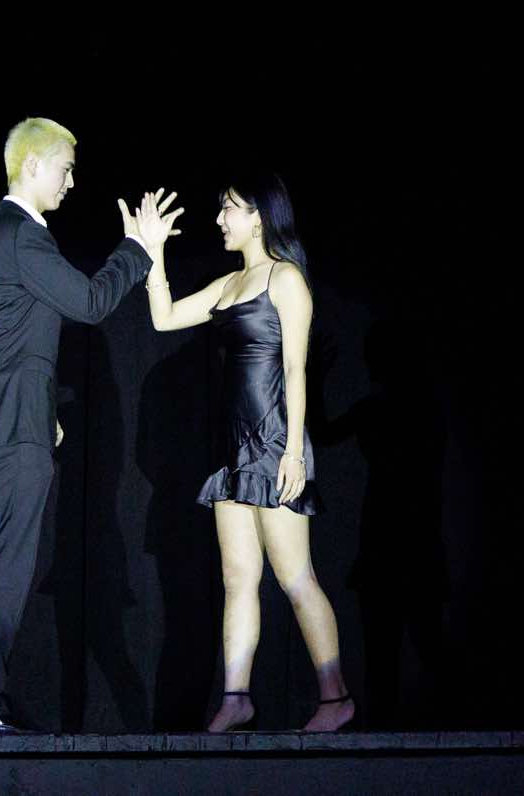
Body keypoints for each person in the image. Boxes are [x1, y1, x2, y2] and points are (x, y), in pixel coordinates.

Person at [0, 117, 173, 734]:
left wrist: (29, 401)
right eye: (67, 169)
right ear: (33, 165)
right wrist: (138, 250)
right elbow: (90, 303)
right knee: (5, 570)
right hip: (12, 433)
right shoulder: (25, 237)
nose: (72, 183)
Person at [134, 174, 355, 731]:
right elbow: (163, 317)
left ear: (259, 216)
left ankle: (335, 699)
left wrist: (294, 452)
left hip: (275, 444)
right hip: (233, 451)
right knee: (237, 579)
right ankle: (236, 697)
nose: (219, 219)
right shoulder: (229, 284)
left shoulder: (286, 278)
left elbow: (295, 369)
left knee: (295, 577)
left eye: (228, 208)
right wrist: (154, 252)